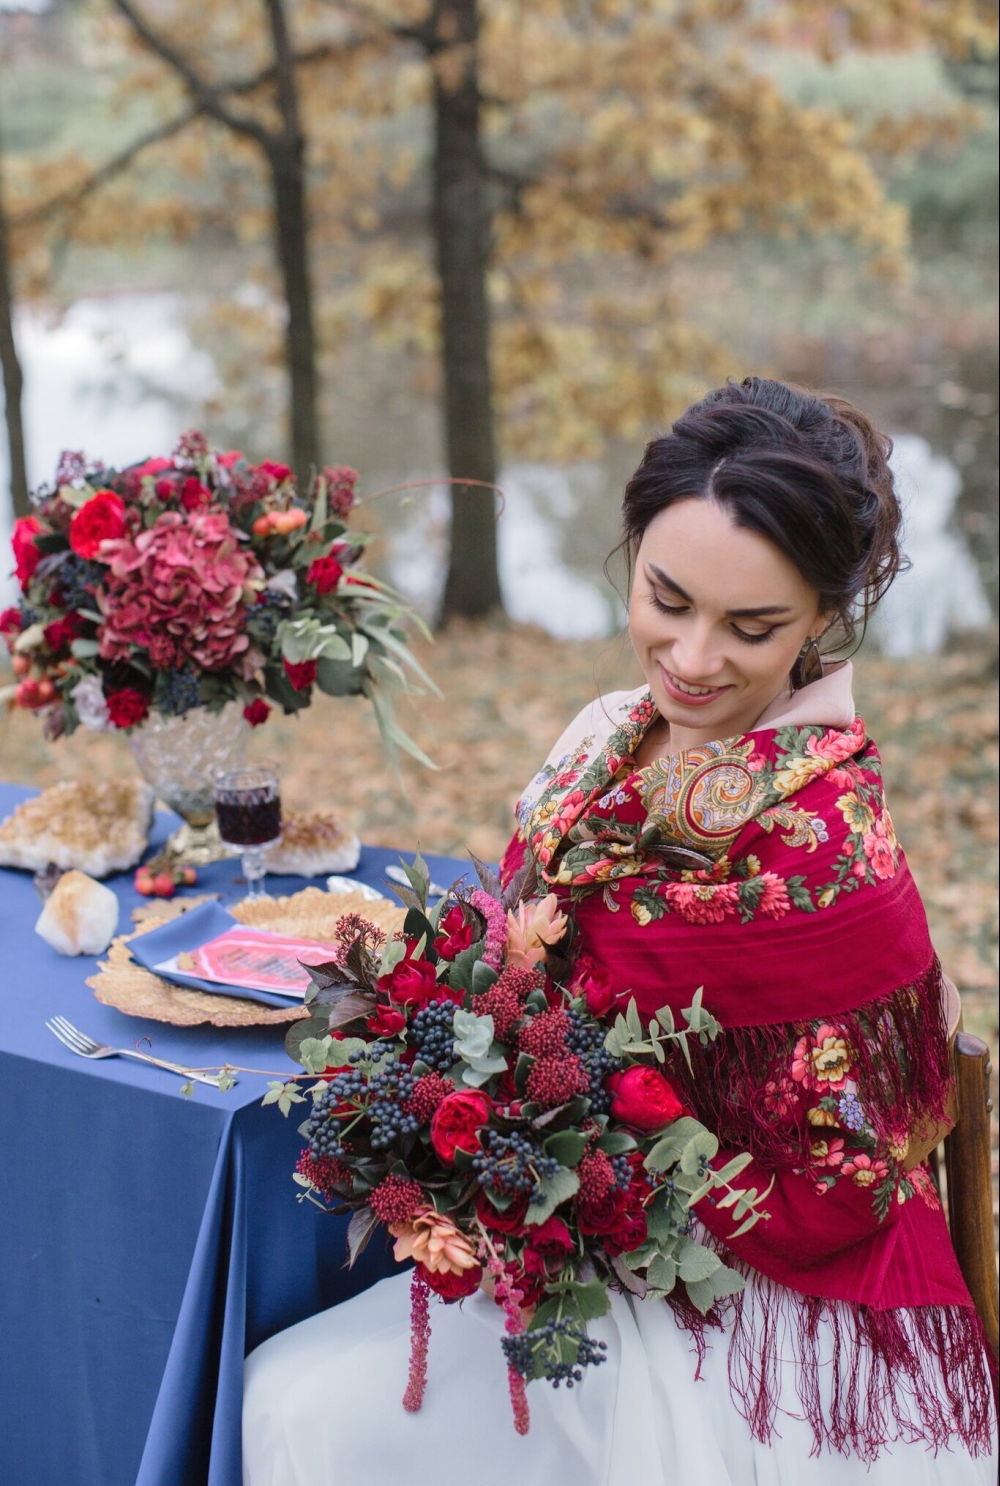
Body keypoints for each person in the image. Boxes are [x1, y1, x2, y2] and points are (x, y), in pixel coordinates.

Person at [243, 378, 998, 1485]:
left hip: (763, 1293)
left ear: (823, 621)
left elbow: (842, 1168)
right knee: (287, 1396)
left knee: (316, 1413)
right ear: (632, 549)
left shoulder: (829, 839)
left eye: (752, 629)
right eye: (667, 598)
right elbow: (523, 949)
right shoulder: (604, 733)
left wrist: (596, 1139)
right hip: (571, 1224)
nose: (692, 659)